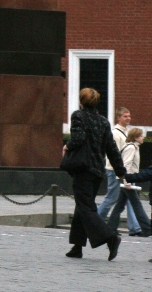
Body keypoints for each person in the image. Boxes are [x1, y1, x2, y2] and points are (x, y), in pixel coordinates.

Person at [65, 87, 127, 259]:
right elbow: (111, 148)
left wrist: (67, 146)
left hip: (83, 169)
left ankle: (110, 238)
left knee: (86, 207)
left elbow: (77, 138)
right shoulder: (103, 121)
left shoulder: (78, 116)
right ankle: (77, 247)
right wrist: (120, 170)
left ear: (81, 101)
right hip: (98, 171)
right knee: (82, 206)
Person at [110, 128, 151, 236]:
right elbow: (126, 165)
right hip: (128, 181)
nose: (143, 138)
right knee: (136, 204)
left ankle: (111, 228)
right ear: (136, 137)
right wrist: (126, 181)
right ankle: (147, 228)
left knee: (120, 205)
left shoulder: (133, 147)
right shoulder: (131, 148)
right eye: (141, 135)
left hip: (127, 180)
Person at [98, 107, 132, 226]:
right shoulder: (115, 133)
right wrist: (119, 169)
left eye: (129, 116)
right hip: (114, 169)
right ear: (118, 118)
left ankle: (133, 226)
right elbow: (114, 152)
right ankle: (95, 221)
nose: (128, 118)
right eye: (125, 116)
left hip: (121, 169)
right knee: (112, 197)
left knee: (124, 199)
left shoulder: (126, 132)